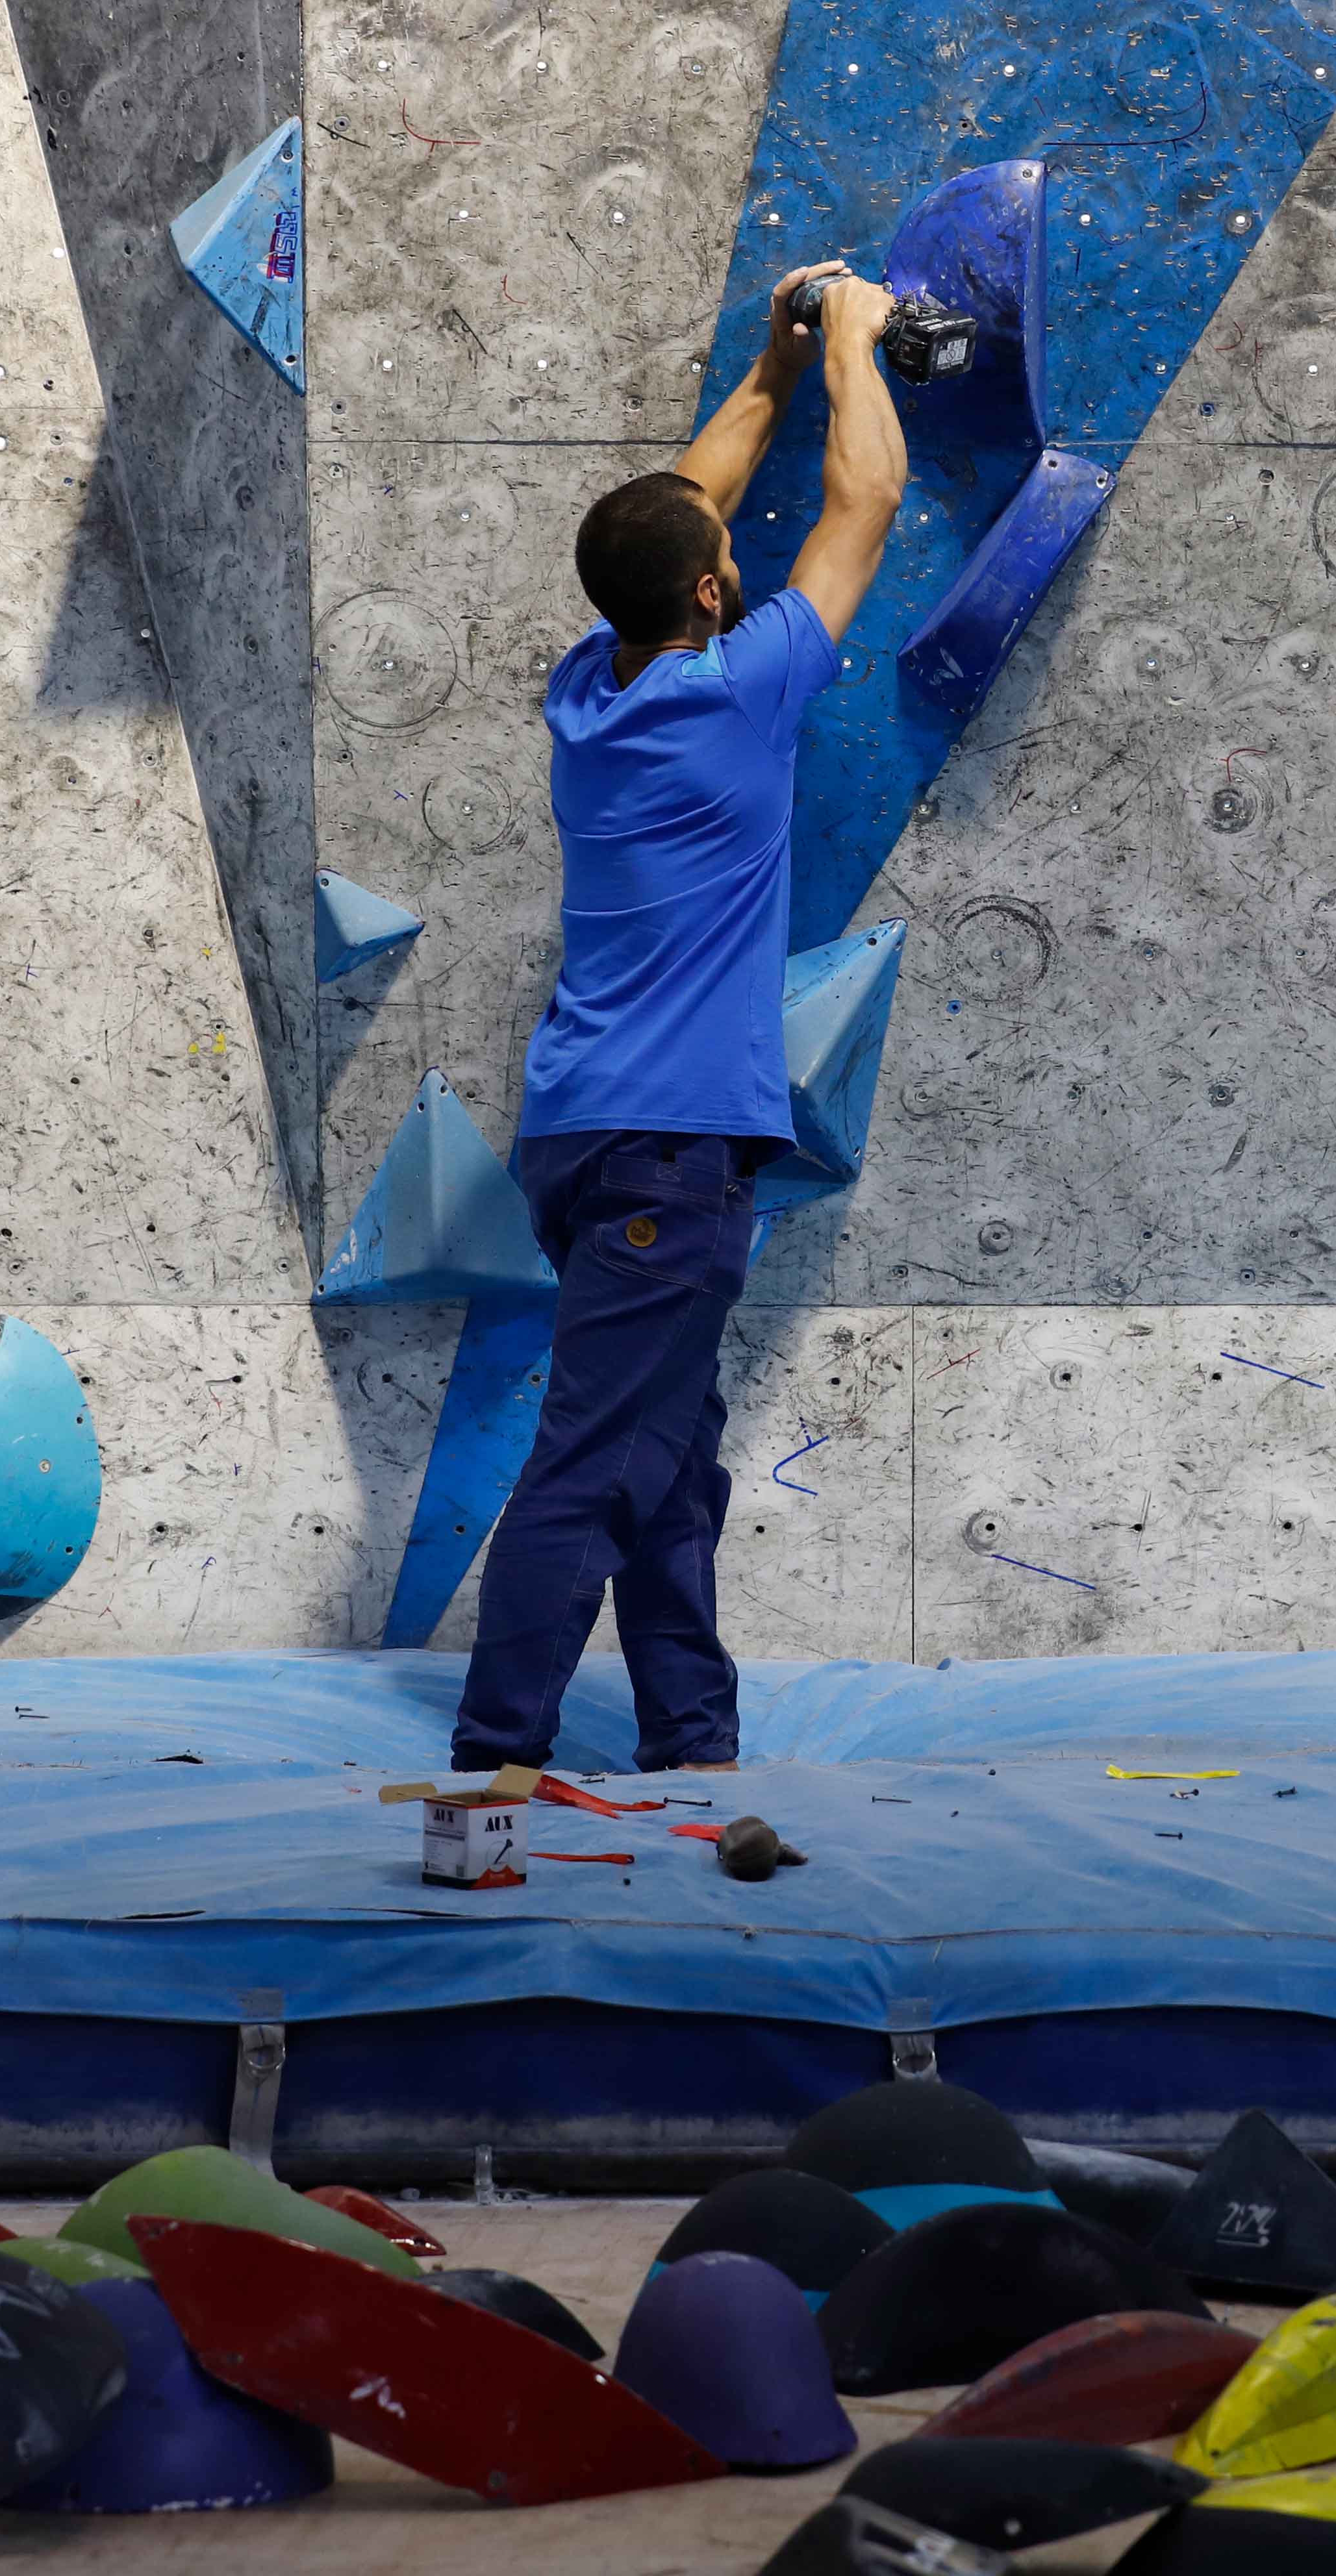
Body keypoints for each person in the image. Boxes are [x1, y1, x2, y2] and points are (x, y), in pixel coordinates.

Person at [449, 261, 906, 1777]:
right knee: (592, 1460)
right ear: (712, 594)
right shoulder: (737, 692)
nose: (730, 544)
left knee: (668, 1453)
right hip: (668, 1147)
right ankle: (492, 1761)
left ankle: (692, 1740)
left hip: (584, 1135)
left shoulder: (590, 686)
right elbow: (867, 501)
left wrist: (775, 360)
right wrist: (853, 340)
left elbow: (679, 505)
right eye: (722, 555)